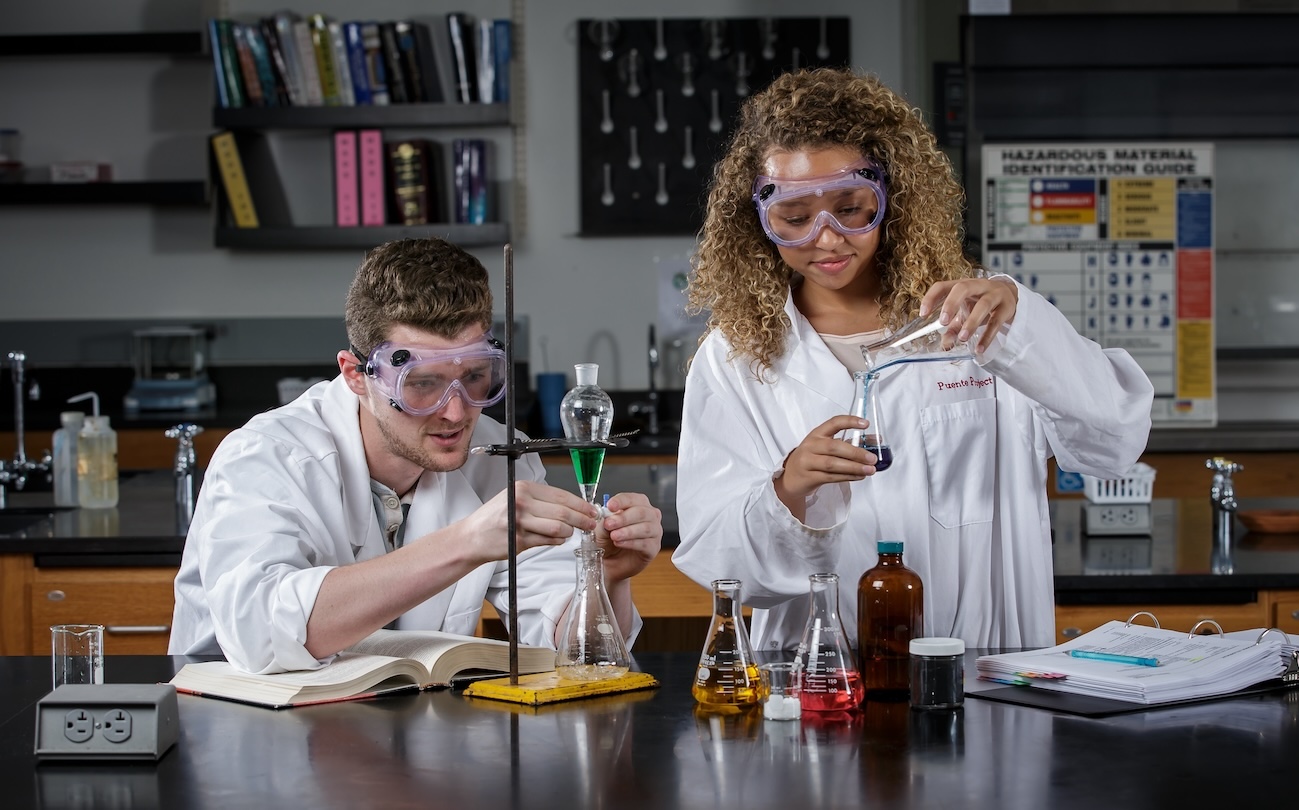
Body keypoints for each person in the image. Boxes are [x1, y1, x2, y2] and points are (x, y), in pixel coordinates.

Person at [672, 68, 1153, 651]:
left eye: (851, 209)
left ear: (892, 197)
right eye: (795, 219)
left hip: (985, 669)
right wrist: (789, 489)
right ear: (757, 220)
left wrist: (1025, 325)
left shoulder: (981, 320)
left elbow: (1113, 442)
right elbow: (721, 566)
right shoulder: (736, 358)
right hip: (818, 678)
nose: (825, 239)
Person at [170, 238, 662, 674]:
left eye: (474, 377)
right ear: (355, 375)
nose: (455, 412)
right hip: (245, 732)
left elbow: (568, 647)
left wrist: (605, 578)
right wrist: (466, 542)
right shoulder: (268, 456)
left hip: (412, 735)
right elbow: (260, 636)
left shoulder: (496, 455)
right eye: (421, 384)